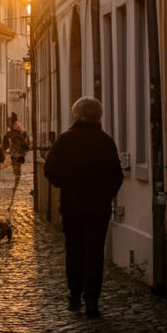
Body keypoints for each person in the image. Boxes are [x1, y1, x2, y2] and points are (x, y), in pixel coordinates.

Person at [43, 97, 125, 318]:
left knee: (74, 250)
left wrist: (64, 184)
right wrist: (107, 194)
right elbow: (117, 175)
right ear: (98, 116)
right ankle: (92, 301)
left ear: (76, 115)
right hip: (98, 207)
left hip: (72, 205)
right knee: (95, 251)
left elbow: (49, 169)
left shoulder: (65, 140)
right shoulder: (105, 141)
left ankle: (75, 296)